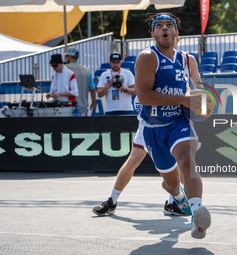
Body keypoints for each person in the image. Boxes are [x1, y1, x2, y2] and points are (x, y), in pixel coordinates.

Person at [92, 35, 202, 218]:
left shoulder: (185, 59)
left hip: (175, 118)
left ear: (177, 37)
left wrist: (191, 96)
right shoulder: (150, 58)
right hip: (149, 122)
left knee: (183, 160)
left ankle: (172, 202)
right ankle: (112, 200)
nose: (166, 33)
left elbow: (191, 87)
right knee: (133, 161)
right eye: (160, 27)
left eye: (170, 29)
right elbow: (143, 93)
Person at [135, 13, 211, 239]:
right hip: (153, 126)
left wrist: (201, 101)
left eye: (170, 25)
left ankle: (197, 214)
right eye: (159, 26)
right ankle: (179, 200)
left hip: (178, 121)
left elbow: (198, 89)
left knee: (187, 157)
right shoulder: (147, 57)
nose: (164, 28)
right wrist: (183, 99)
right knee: (170, 183)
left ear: (177, 33)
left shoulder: (189, 60)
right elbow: (144, 97)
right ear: (153, 34)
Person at [64, 47, 96, 116]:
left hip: (67, 106)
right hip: (82, 107)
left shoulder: (64, 68)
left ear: (69, 57)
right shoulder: (87, 70)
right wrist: (93, 102)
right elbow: (92, 89)